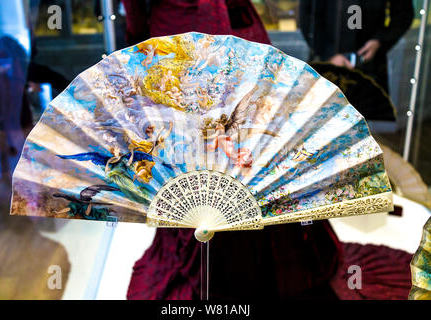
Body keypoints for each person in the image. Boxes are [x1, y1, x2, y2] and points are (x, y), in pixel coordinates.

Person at [123, 0, 342, 300]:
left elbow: (134, 10)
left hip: (204, 36)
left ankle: (247, 272)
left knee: (250, 143)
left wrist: (136, 41)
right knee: (215, 150)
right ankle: (236, 270)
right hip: (194, 41)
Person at [300, 0, 414, 94]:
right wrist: (328, 54)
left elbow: (403, 14)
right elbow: (307, 13)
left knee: (366, 115)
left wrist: (380, 40)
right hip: (326, 63)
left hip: (369, 64)